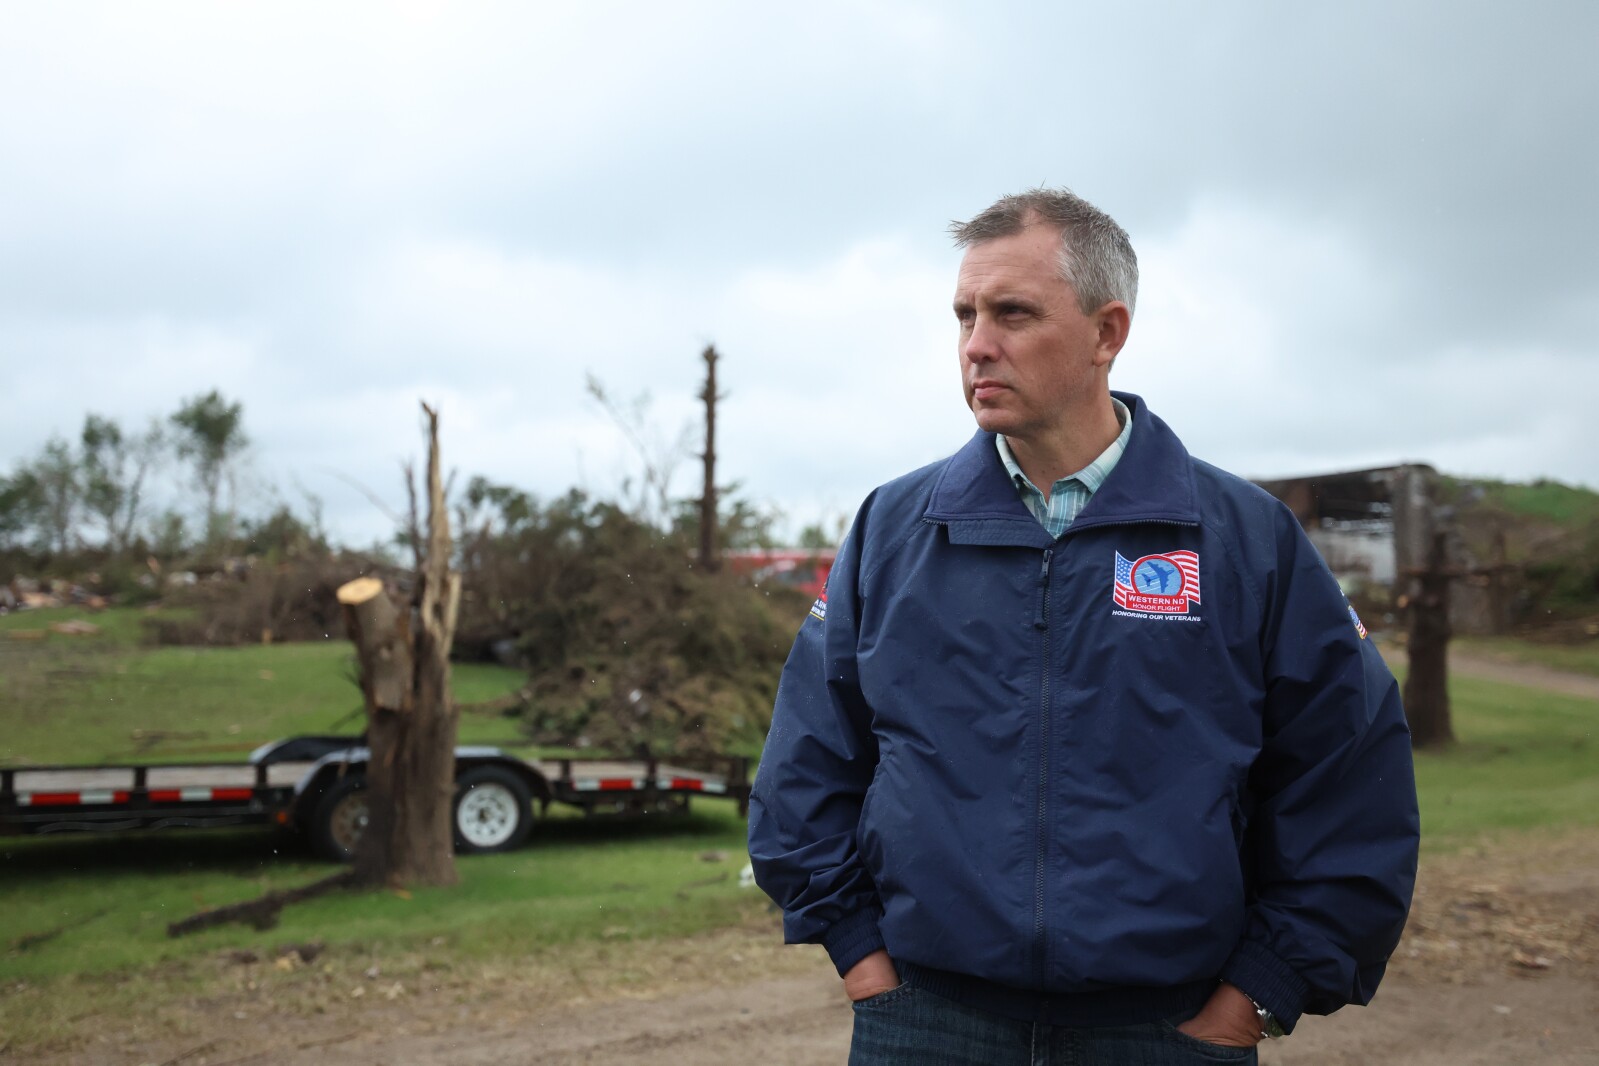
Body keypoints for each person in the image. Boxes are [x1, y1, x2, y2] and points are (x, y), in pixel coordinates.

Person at [747, 187, 1420, 1065]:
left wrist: (1253, 998)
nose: (977, 344)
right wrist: (862, 960)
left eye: (1012, 313)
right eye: (964, 316)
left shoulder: (1244, 541)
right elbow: (807, 762)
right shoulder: (894, 528)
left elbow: (1347, 778)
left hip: (1165, 1032)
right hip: (927, 1022)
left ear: (1108, 332)